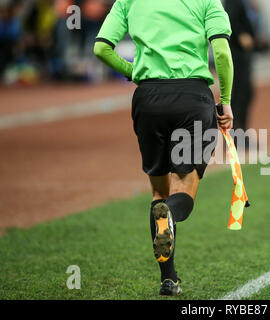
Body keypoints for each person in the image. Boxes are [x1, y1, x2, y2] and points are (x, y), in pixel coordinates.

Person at [93, 0, 234, 296]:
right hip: (192, 98)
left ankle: (168, 279)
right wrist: (227, 100)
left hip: (148, 98)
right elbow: (220, 51)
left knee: (158, 195)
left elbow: (101, 48)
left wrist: (132, 71)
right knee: (182, 189)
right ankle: (170, 214)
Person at [225, 0, 255, 132]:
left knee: (246, 93)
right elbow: (230, 17)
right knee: (240, 94)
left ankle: (241, 132)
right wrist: (241, 34)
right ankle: (237, 134)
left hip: (242, 52)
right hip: (236, 52)